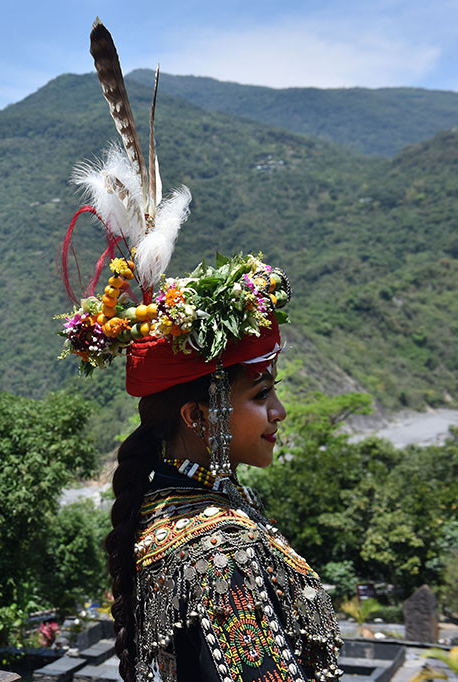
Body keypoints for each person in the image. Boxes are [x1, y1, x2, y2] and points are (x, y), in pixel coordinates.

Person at [56, 21, 342, 682]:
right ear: (197, 415)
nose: (279, 412)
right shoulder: (214, 547)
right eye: (260, 394)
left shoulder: (188, 510)